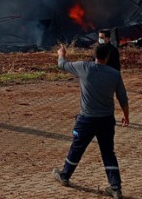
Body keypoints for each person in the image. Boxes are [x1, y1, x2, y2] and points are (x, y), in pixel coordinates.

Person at [52, 44, 129, 199]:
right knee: (108, 152)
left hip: (86, 119)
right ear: (107, 57)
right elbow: (122, 97)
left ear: (94, 55)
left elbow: (62, 65)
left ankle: (65, 175)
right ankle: (115, 187)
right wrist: (126, 115)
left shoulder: (83, 67)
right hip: (106, 120)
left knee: (77, 147)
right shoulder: (115, 74)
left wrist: (61, 54)